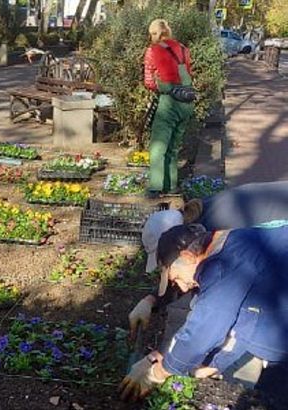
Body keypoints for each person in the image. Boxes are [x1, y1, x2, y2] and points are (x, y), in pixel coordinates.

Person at [119, 224, 288, 402]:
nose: (183, 287)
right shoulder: (234, 242)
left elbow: (203, 332)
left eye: (176, 278)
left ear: (188, 256)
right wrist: (216, 363)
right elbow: (246, 321)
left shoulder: (223, 267)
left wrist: (158, 372)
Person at [129, 180, 288, 337]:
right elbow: (183, 269)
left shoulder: (217, 231)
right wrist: (151, 300)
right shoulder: (199, 217)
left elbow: (220, 291)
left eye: (163, 256)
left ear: (176, 241)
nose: (165, 263)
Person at [144, 19, 194, 198]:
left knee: (159, 145)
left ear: (154, 33)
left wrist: (161, 85)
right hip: (187, 101)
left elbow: (149, 82)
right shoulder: (183, 49)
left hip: (169, 102)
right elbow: (189, 73)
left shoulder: (153, 51)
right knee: (174, 146)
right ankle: (172, 186)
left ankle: (156, 187)